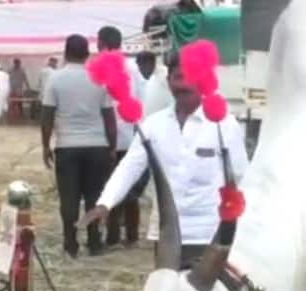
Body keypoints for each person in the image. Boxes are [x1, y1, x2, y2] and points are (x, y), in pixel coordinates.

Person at [80, 51, 248, 270]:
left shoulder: (224, 124)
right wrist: (105, 203)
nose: (184, 84)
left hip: (210, 234)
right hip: (167, 234)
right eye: (178, 77)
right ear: (168, 81)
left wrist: (242, 227)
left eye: (191, 77)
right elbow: (130, 166)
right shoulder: (154, 124)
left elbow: (242, 175)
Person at [41, 34, 117, 258]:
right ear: (87, 54)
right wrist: (111, 147)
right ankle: (94, 242)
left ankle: (70, 243)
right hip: (97, 146)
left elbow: (47, 116)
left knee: (69, 198)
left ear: (65, 53)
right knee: (94, 196)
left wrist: (46, 145)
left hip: (67, 146)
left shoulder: (55, 79)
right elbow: (109, 118)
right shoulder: (99, 79)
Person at [96, 25, 147, 248]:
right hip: (129, 133)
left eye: (98, 43)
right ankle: (132, 235)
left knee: (110, 183)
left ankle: (113, 234)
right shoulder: (133, 68)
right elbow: (143, 99)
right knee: (130, 186)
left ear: (103, 44)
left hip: (107, 135)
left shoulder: (99, 68)